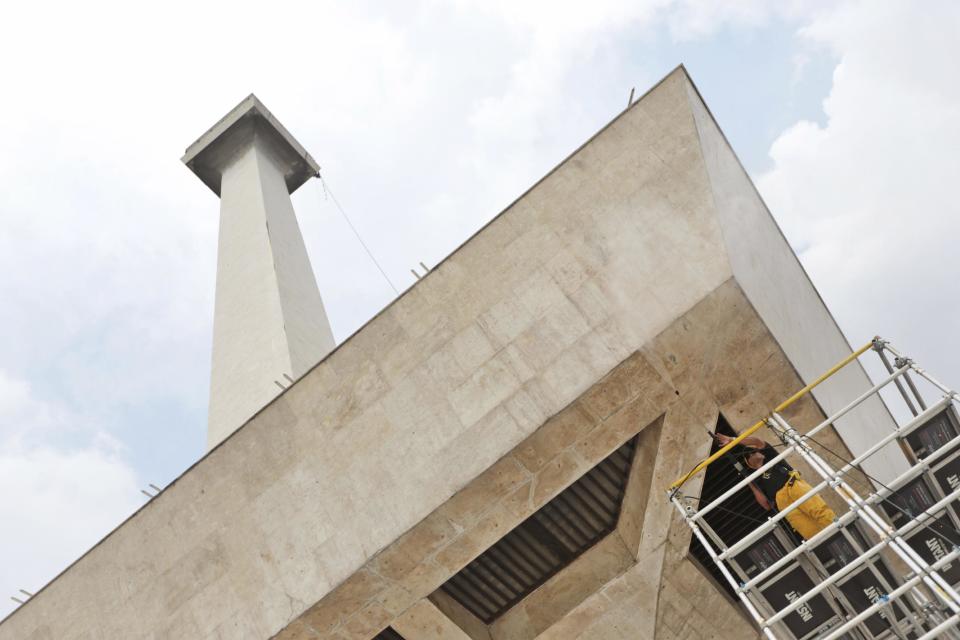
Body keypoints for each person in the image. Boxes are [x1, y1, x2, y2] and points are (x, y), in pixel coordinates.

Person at [714, 433, 836, 540]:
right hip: (782, 502)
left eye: (753, 450)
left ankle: (839, 528)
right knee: (807, 529)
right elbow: (765, 505)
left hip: (793, 485)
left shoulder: (769, 456)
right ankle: (831, 543)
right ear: (749, 464)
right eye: (749, 455)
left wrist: (732, 440)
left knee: (818, 510)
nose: (753, 452)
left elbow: (757, 441)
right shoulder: (755, 478)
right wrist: (749, 481)